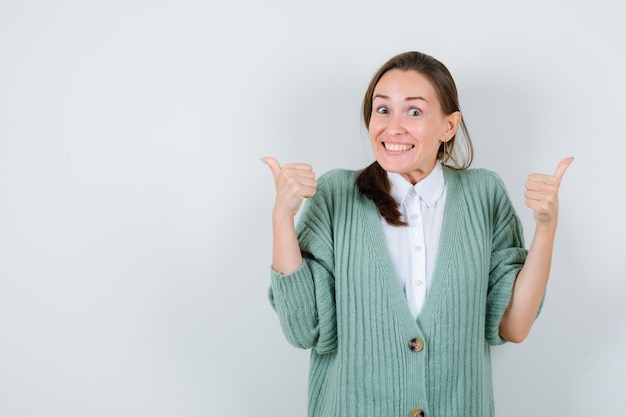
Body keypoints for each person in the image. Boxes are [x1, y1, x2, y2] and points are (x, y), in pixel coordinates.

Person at [261, 51, 572, 417]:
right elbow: (303, 329)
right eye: (382, 109)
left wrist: (547, 226)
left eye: (414, 111)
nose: (393, 127)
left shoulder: (484, 194)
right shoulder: (335, 194)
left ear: (448, 126)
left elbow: (514, 326)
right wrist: (282, 217)